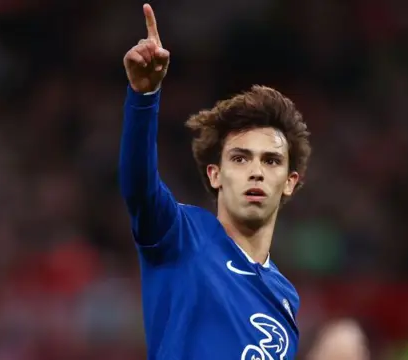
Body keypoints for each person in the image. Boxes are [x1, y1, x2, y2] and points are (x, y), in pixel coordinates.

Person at [119, 4, 311, 359]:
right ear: (215, 174)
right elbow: (138, 187)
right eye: (240, 158)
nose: (256, 171)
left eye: (271, 161)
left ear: (289, 181)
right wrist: (143, 97)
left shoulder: (285, 300)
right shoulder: (182, 235)